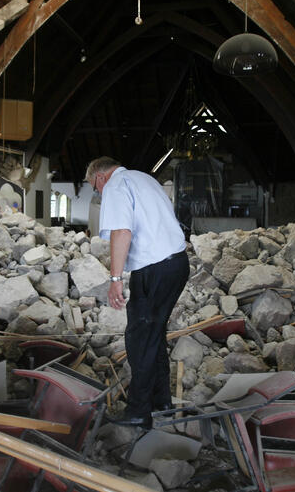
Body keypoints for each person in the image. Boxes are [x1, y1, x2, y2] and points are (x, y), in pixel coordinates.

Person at [85, 156, 189, 428]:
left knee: (140, 338)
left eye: (95, 188)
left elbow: (122, 231)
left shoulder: (116, 185)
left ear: (100, 176)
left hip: (154, 268)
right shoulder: (145, 178)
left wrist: (115, 278)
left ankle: (137, 413)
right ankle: (161, 401)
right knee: (153, 333)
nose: (98, 193)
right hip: (177, 263)